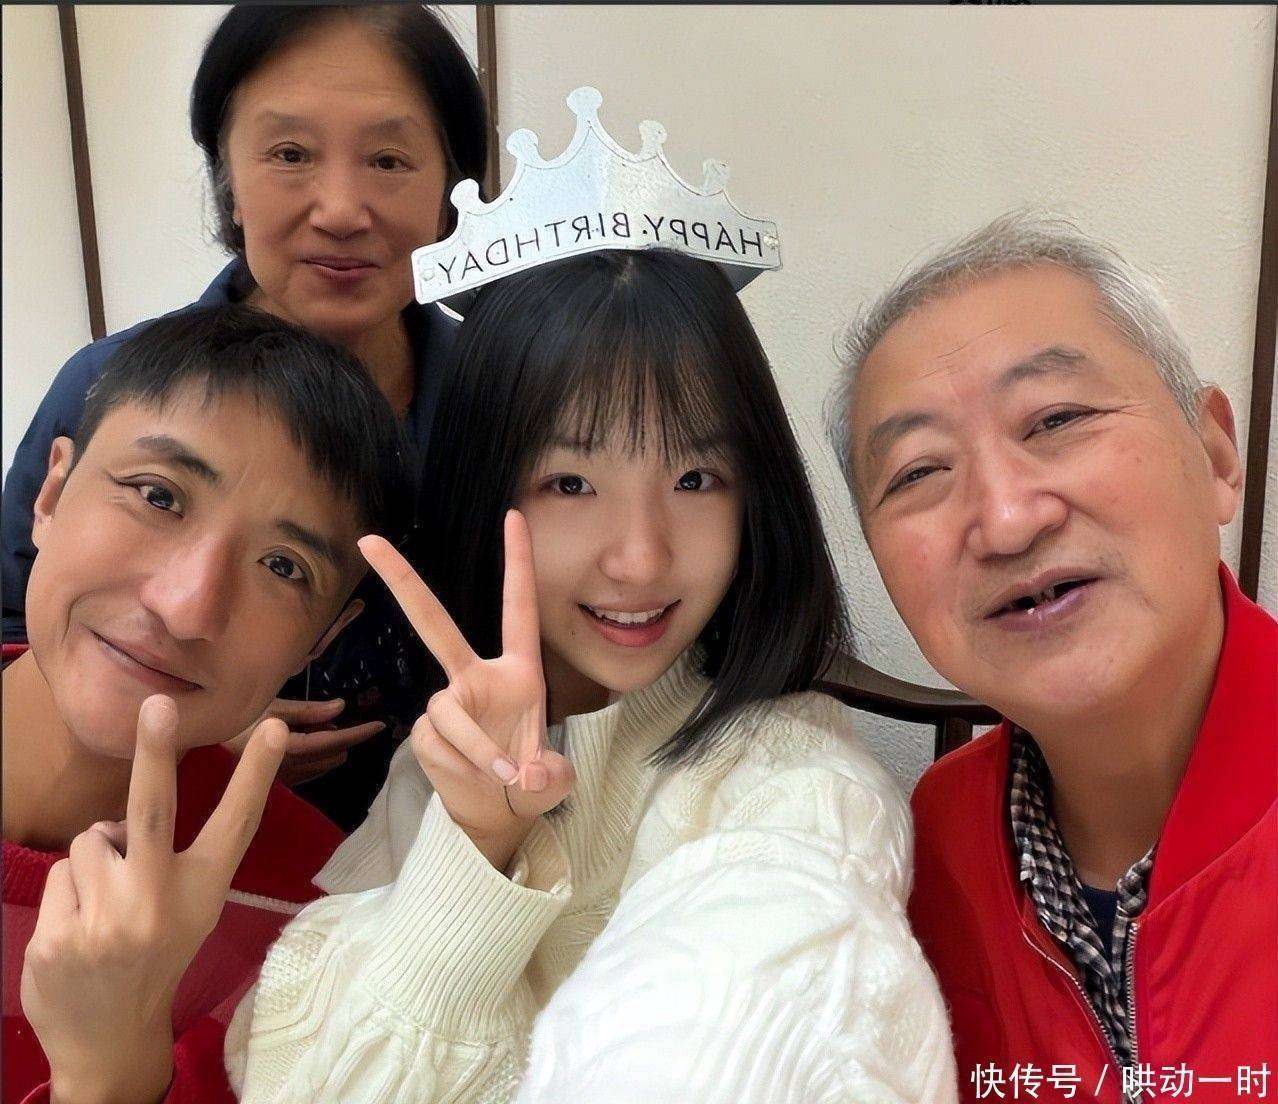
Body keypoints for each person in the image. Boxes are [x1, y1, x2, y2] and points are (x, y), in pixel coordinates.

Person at [225, 244, 958, 1103]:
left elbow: (758, 1014)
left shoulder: (799, 786)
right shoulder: (438, 769)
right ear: (484, 492)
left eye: (695, 477)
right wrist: (477, 847)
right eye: (570, 483)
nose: (640, 558)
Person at [1, 2, 489, 829]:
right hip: (166, 853)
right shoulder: (107, 384)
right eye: (290, 154)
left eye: (389, 160)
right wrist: (184, 721)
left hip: (453, 844)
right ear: (227, 180)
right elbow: (19, 620)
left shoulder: (507, 399)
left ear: (452, 192)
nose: (341, 209)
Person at [827, 211, 1277, 1102]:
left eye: (1057, 419)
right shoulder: (932, 847)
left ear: (1217, 453)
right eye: (918, 472)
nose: (1006, 519)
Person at [2, 305, 411, 1104]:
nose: (186, 606)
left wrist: (114, 1074)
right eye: (158, 496)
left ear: (322, 639)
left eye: (283, 567)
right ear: (49, 494)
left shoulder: (316, 924)